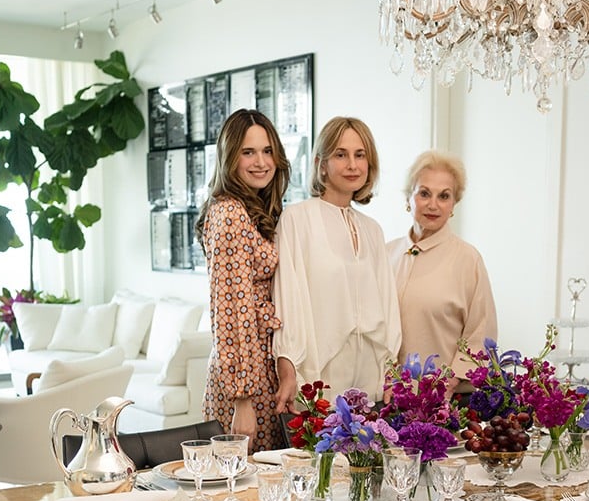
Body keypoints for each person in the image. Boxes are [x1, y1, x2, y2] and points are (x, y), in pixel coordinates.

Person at [273, 116, 401, 411]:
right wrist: (288, 363)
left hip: (370, 380)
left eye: (360, 155)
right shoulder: (297, 218)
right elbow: (288, 296)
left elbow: (388, 305)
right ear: (321, 163)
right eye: (341, 155)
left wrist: (390, 369)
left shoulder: (372, 229)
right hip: (319, 374)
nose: (352, 165)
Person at [197, 109, 290, 452]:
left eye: (267, 151)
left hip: (260, 372)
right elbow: (229, 311)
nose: (261, 162)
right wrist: (242, 399)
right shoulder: (230, 212)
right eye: (248, 152)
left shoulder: (252, 209)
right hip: (243, 381)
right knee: (240, 488)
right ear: (229, 156)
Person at [387, 150, 497, 389]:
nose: (433, 205)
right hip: (386, 398)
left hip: (444, 399)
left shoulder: (468, 260)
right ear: (409, 198)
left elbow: (481, 334)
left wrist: (449, 382)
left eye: (444, 196)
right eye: (424, 193)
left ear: (454, 204)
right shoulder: (385, 254)